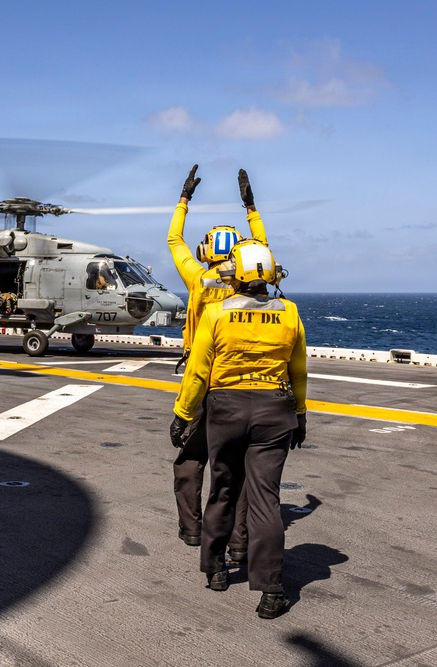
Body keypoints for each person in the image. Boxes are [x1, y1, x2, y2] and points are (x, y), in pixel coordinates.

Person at [170, 238, 308, 620]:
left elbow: (198, 371)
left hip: (225, 408)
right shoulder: (290, 312)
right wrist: (301, 415)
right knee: (265, 500)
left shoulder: (218, 313)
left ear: (236, 275)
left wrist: (182, 414)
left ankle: (215, 570)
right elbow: (298, 371)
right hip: (275, 410)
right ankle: (271, 591)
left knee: (223, 489)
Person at [166, 165, 267, 555]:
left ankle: (193, 529)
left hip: (204, 380)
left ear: (207, 250)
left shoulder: (197, 277)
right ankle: (239, 542)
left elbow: (175, 239)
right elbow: (262, 246)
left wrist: (184, 199)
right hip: (246, 383)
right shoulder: (249, 281)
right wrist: (250, 206)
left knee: (191, 459)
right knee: (236, 468)